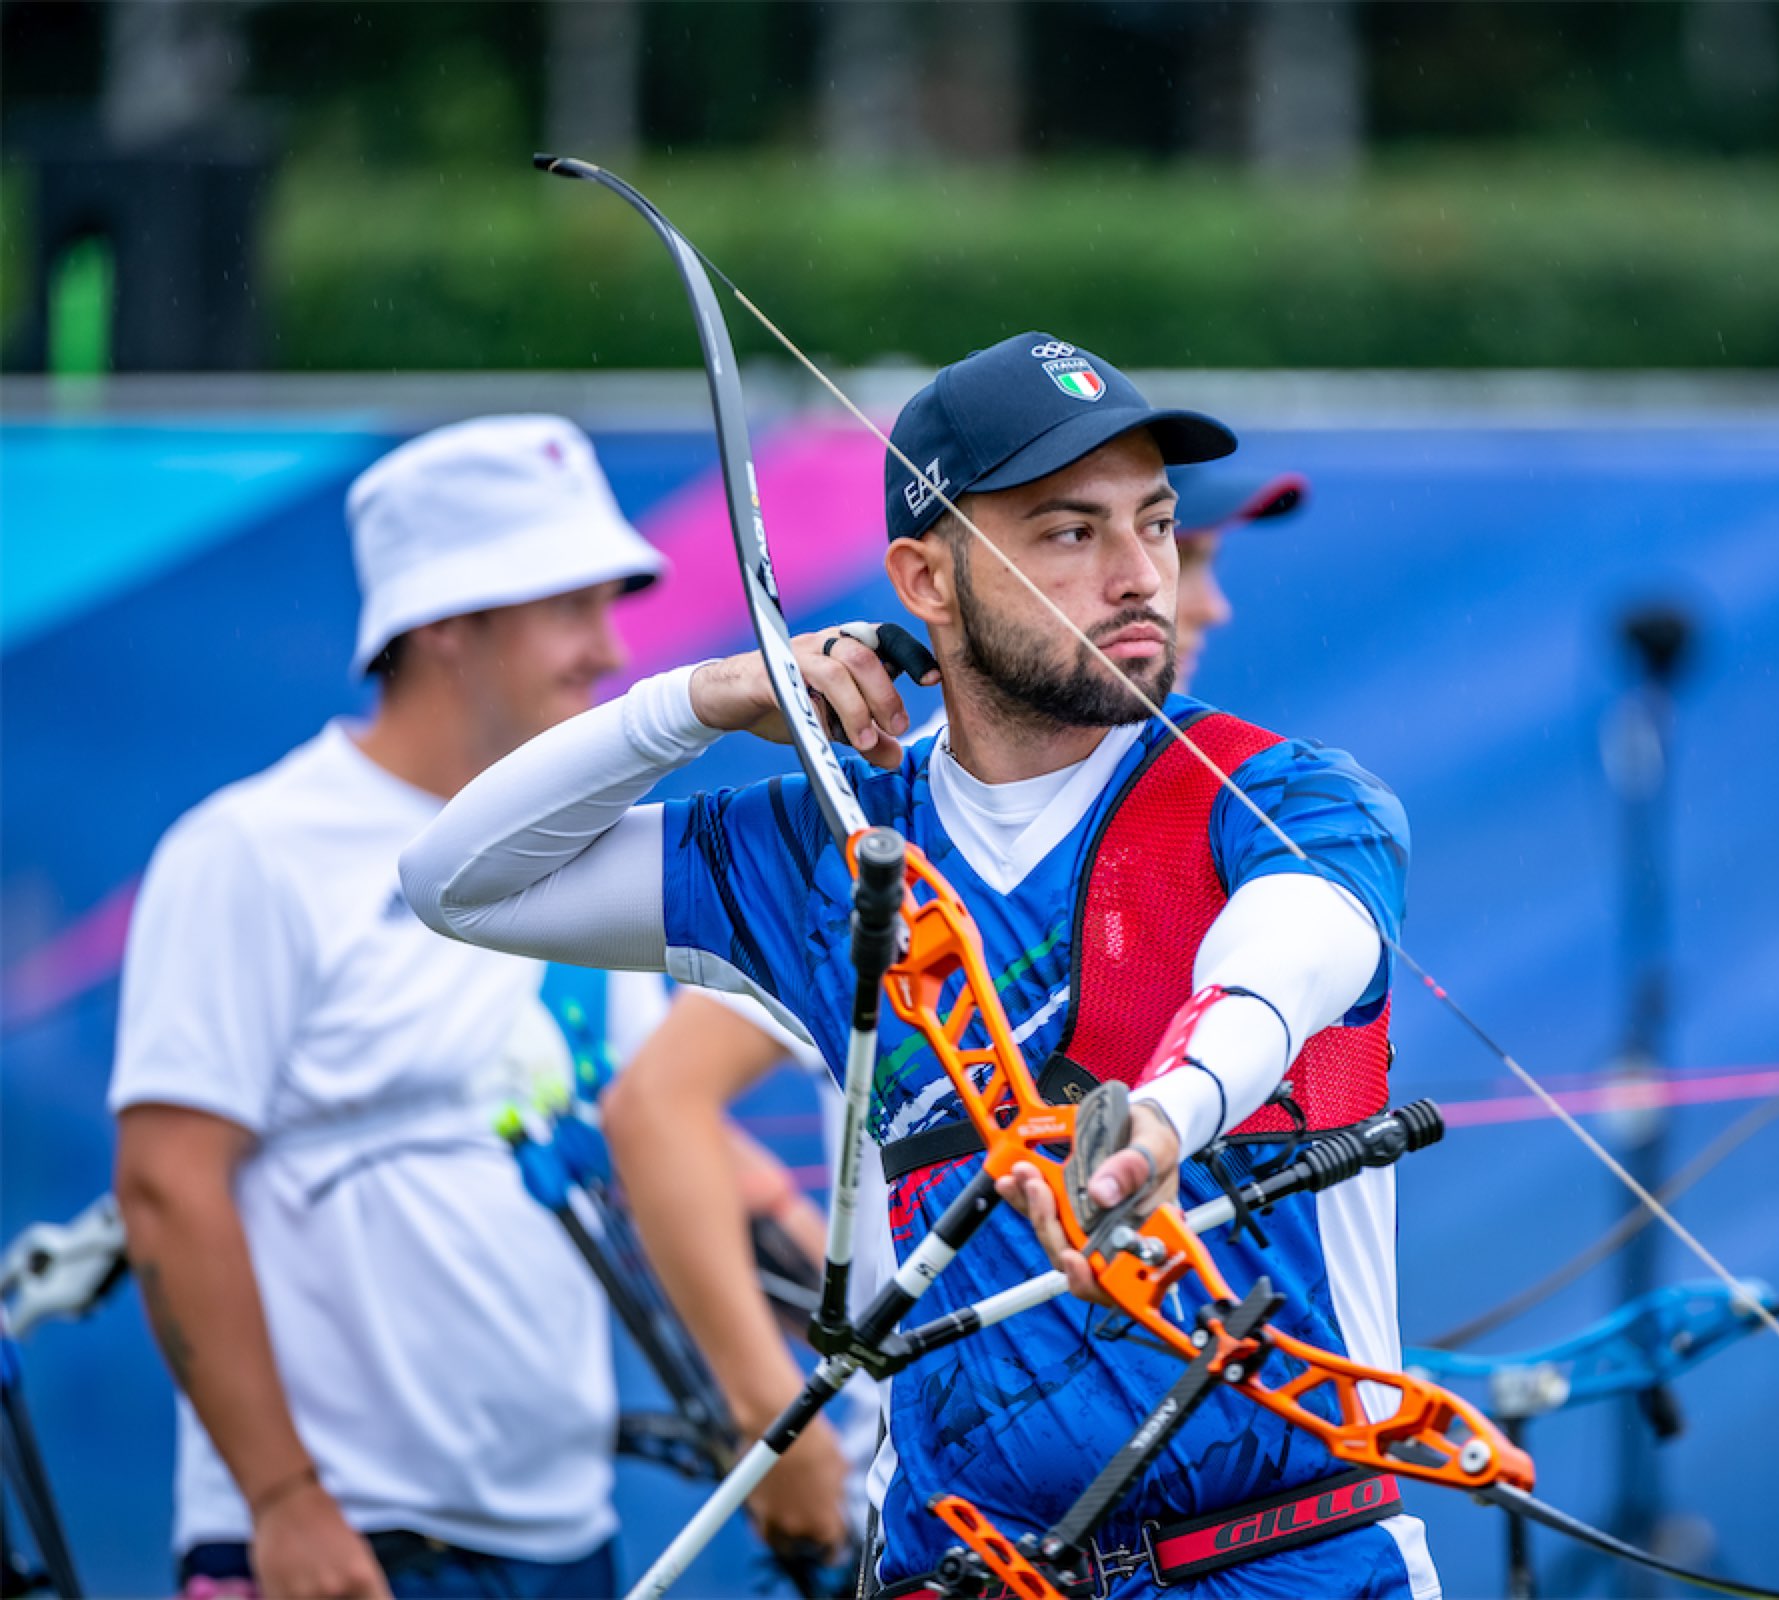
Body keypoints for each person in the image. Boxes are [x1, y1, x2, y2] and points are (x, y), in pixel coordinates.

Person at [402, 335, 1438, 1598]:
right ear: (924, 581)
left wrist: (1163, 1118)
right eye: (1069, 533)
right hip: (963, 1570)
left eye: (1156, 526)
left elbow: (1294, 950)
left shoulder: (1280, 795)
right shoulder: (837, 842)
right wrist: (711, 697)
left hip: (1294, 1562)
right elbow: (457, 879)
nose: (1139, 577)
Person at [597, 459, 1312, 1555]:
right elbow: (658, 1102)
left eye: (1173, 539)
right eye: (1193, 555)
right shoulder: (910, 849)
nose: (1187, 596)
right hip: (984, 1496)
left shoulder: (1240, 806)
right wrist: (770, 1414)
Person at [110, 416, 671, 1600]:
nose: (609, 650)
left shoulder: (591, 861)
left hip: (564, 1538)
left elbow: (648, 1137)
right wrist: (282, 1499)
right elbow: (167, 1183)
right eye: (570, 607)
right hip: (335, 1548)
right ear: (448, 620)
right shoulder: (247, 851)